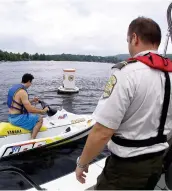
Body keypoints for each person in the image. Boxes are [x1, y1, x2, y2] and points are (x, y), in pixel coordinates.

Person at [75, 16, 172, 190]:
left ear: (134, 38)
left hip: (125, 169)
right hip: (157, 162)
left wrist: (82, 163)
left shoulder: (126, 72)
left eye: (128, 40)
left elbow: (102, 132)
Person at [7, 73, 49, 139]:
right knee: (39, 119)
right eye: (31, 82)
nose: (30, 85)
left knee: (33, 113)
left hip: (10, 117)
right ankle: (32, 140)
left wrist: (32, 100)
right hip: (17, 119)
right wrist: (43, 111)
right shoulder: (23, 92)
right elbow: (30, 109)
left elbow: (18, 103)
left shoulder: (14, 88)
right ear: (29, 81)